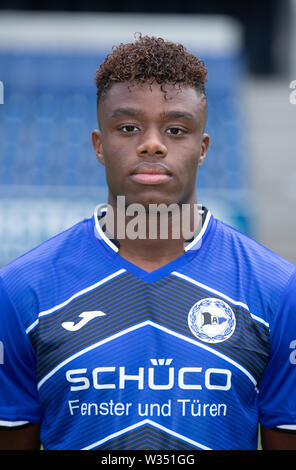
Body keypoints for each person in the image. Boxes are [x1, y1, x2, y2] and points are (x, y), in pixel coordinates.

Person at [0, 35, 295, 451]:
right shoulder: (19, 290)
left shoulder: (279, 290)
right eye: (128, 128)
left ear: (202, 148)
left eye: (176, 129)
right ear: (99, 145)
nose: (152, 144)